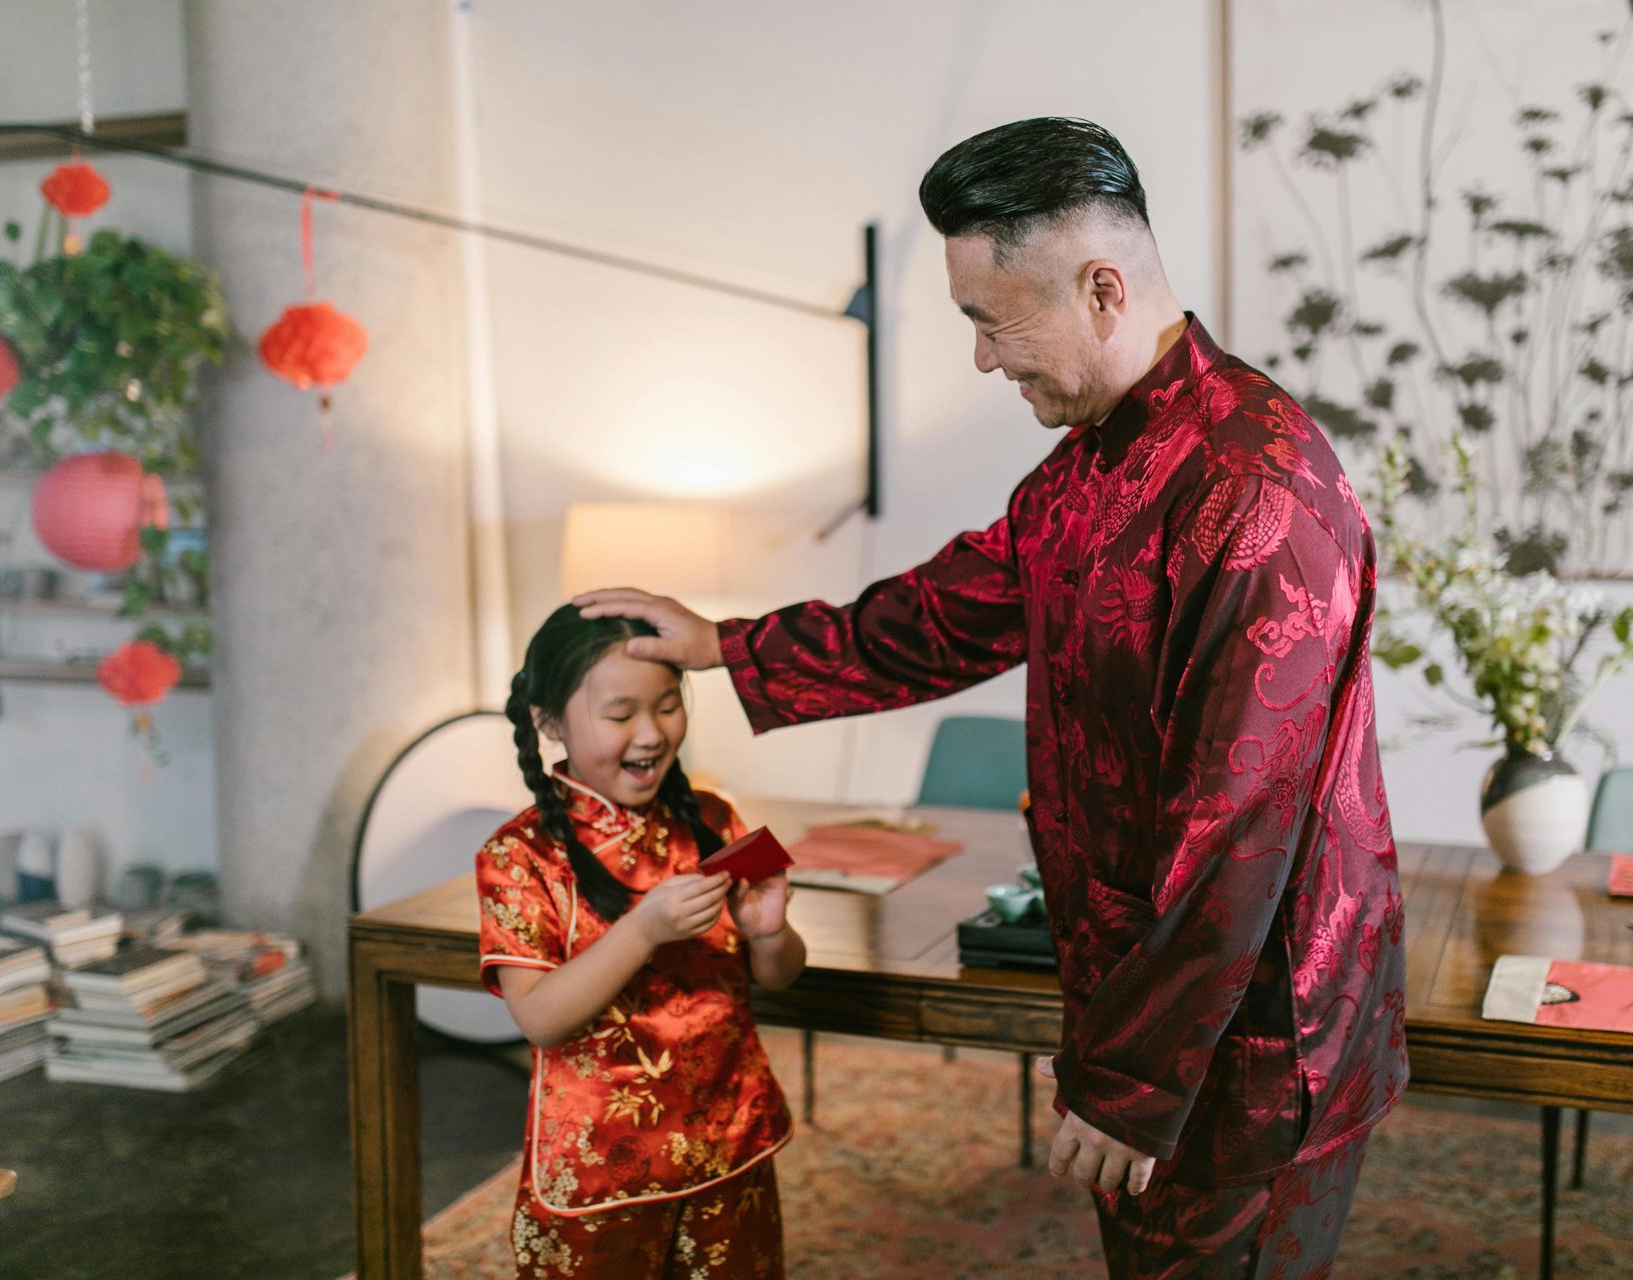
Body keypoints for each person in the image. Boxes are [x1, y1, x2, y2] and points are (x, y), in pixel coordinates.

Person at [579, 116, 1407, 1278]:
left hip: (1253, 1035)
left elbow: (1237, 837)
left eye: (990, 320)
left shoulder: (1257, 495)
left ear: (1103, 289)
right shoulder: (1089, 466)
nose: (982, 357)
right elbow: (940, 612)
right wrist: (723, 642)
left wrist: (1129, 1084)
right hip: (1143, 993)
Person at [476, 606, 805, 1279]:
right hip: (603, 1163)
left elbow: (778, 977)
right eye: (620, 715)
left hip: (726, 1135)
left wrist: (770, 933)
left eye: (666, 706)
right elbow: (540, 1019)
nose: (652, 734)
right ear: (547, 722)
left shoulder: (711, 819)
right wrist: (645, 929)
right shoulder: (519, 855)